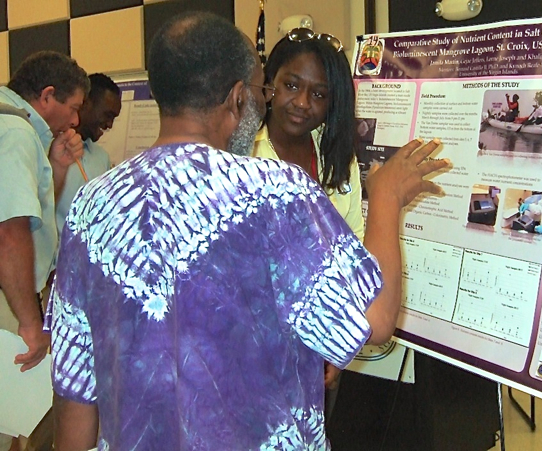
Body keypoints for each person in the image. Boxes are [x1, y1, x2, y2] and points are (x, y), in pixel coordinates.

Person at [48, 12, 450, 451]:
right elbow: (374, 321)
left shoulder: (91, 206)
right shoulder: (276, 193)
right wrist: (387, 198)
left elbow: (75, 397)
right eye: (264, 90)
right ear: (238, 98)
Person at [252, 27, 362, 410]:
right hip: (250, 344)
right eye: (290, 85)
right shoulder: (242, 154)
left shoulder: (338, 159)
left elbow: (353, 251)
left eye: (318, 94)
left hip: (319, 341)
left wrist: (337, 341)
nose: (302, 103)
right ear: (268, 86)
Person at [0, 50, 87, 450]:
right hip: (7, 301)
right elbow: (11, 233)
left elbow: (28, 215)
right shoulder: (15, 132)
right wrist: (31, 322)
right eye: (73, 109)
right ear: (47, 96)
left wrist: (59, 168)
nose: (74, 122)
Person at [55, 73, 121, 233]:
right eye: (108, 115)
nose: (110, 124)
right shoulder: (52, 151)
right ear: (85, 104)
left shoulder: (102, 157)